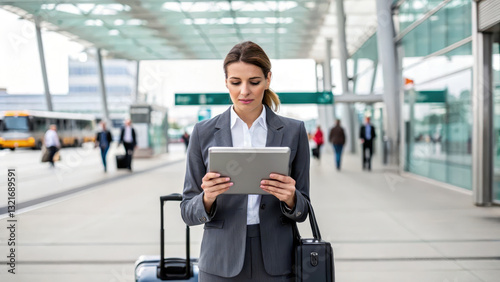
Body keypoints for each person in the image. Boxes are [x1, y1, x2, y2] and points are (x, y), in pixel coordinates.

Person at [181, 41, 310, 282]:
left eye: (254, 82)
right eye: (235, 82)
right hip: (221, 260)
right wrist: (207, 198)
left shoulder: (294, 132)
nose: (244, 91)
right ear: (226, 82)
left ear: (268, 79)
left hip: (278, 260)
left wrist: (291, 198)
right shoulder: (202, 133)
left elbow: (303, 209)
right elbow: (188, 211)